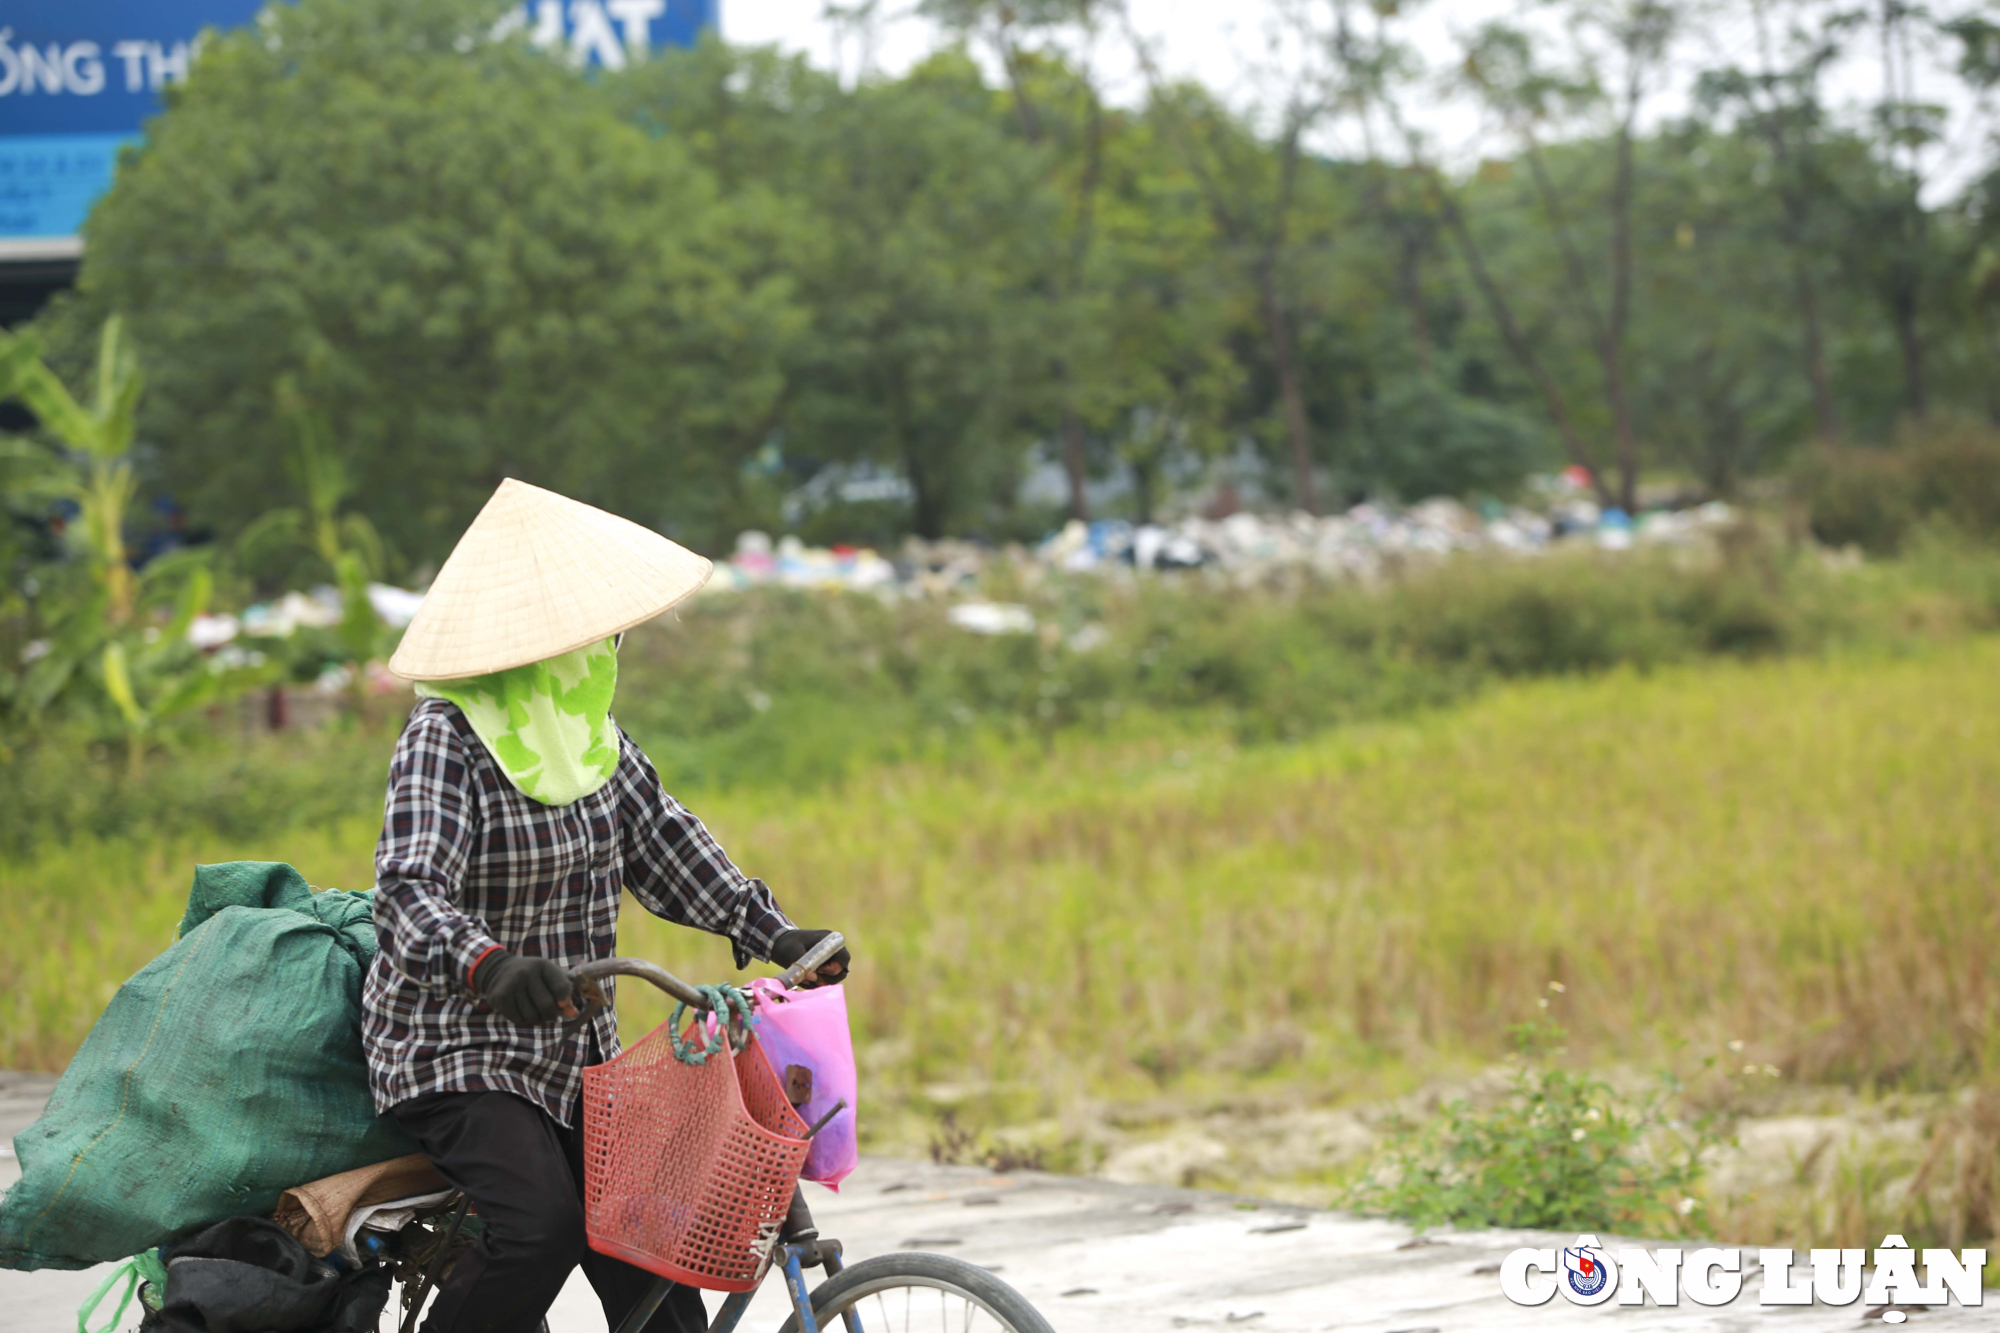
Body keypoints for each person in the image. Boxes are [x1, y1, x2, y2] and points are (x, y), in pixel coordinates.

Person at [360, 479, 850, 1333]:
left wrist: (769, 927)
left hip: (575, 1048)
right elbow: (406, 892)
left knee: (650, 1242)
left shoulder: (591, 735)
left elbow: (666, 845)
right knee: (539, 1230)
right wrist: (490, 963)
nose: (607, 644)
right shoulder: (448, 737)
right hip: (456, 1049)